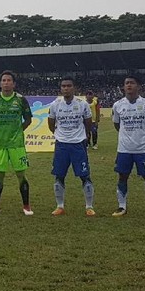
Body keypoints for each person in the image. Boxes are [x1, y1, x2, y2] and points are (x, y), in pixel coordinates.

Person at [0, 71, 33, 216]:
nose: (6, 82)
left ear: (14, 83)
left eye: (9, 80)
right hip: (0, 145)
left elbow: (28, 120)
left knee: (21, 175)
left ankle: (26, 206)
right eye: (3, 80)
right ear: (0, 83)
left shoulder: (21, 100)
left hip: (17, 145)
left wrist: (18, 131)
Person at [111, 75, 145, 218]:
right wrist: (127, 137)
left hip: (142, 149)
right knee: (122, 177)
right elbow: (117, 124)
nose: (129, 85)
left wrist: (143, 137)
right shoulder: (118, 105)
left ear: (138, 86)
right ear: (123, 86)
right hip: (124, 149)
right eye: (126, 83)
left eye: (132, 83)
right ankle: (122, 207)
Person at [48, 78, 95, 216]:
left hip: (78, 144)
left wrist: (84, 136)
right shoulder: (55, 104)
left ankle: (89, 207)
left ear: (74, 88)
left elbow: (88, 122)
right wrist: (59, 134)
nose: (66, 88)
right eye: (63, 86)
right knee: (59, 175)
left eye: (69, 86)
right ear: (60, 88)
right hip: (61, 145)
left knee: (84, 175)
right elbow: (51, 123)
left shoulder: (82, 104)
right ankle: (60, 206)